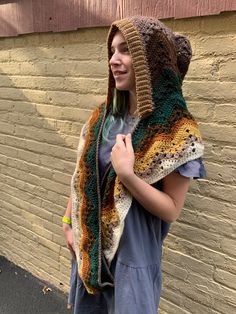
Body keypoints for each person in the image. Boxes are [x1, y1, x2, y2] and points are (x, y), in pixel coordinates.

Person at [62, 16, 206, 314]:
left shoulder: (176, 131)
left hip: (133, 263)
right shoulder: (103, 116)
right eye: (112, 51)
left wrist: (128, 174)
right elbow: (84, 177)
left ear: (150, 59)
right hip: (92, 251)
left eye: (126, 50)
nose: (114, 60)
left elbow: (172, 208)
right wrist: (68, 223)